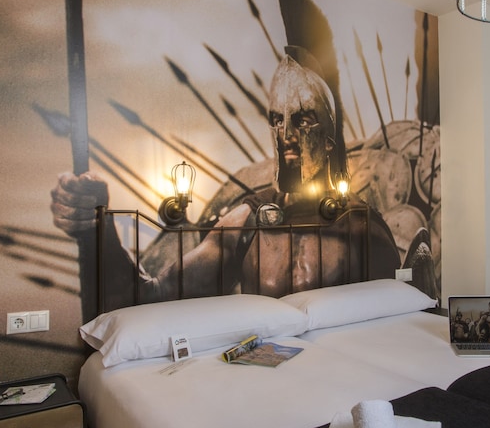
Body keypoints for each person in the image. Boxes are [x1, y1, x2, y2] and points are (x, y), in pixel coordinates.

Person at [51, 50, 401, 310]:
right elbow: (144, 297)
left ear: (328, 141)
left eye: (303, 120)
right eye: (277, 120)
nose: (287, 136)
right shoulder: (246, 222)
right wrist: (96, 227)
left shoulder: (359, 224)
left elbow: (393, 315)